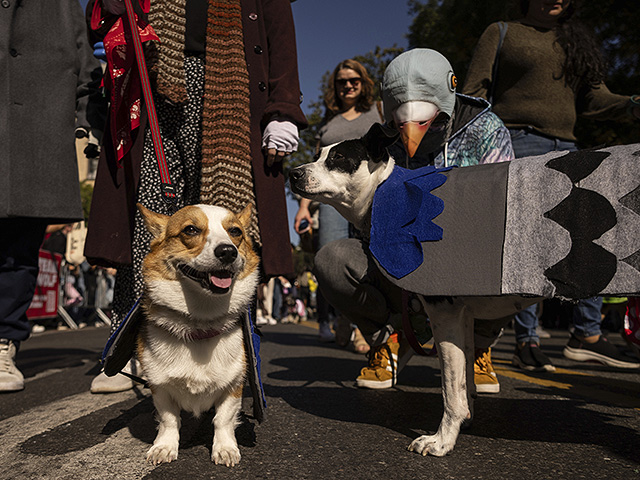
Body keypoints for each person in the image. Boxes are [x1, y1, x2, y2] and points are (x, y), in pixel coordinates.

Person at [84, 0, 308, 393]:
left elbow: (280, 32)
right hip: (154, 78)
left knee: (219, 223)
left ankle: (225, 347)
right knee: (150, 219)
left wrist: (284, 107)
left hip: (232, 85)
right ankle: (138, 343)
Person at [313, 49, 515, 391]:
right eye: (400, 124)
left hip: (471, 254)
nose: (411, 137)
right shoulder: (383, 141)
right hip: (404, 254)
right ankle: (394, 335)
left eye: (429, 123)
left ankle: (481, 341)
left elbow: (506, 210)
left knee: (517, 250)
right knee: (332, 260)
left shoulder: (486, 130)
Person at [463, 0, 640, 371]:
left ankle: (586, 333)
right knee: (528, 243)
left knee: (594, 231)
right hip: (515, 140)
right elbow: (473, 93)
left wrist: (631, 104)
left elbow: (595, 98)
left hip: (570, 146)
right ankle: (526, 341)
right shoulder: (502, 31)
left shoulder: (575, 41)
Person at [0, 0, 102, 391]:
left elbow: (84, 64)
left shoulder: (60, 3)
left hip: (36, 133)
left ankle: (4, 341)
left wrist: (86, 123)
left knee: (18, 249)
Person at [294, 59, 382, 347]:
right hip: (332, 203)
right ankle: (344, 315)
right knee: (330, 260)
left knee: (372, 260)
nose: (348, 85)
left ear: (363, 82)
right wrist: (304, 207)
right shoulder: (327, 123)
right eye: (341, 81)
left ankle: (363, 326)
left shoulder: (378, 112)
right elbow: (318, 165)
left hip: (370, 198)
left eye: (353, 79)